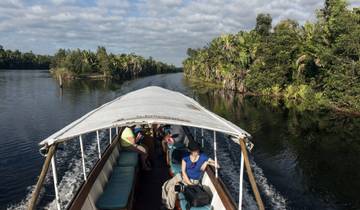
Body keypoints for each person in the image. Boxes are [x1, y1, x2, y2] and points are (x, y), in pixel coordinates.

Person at [161, 141, 217, 209]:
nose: (196, 152)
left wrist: (207, 162)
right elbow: (183, 171)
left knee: (173, 189)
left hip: (191, 183)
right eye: (194, 151)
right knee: (165, 185)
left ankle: (169, 207)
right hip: (181, 176)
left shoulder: (203, 157)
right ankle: (165, 203)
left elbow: (217, 165)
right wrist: (185, 179)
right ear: (190, 150)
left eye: (197, 150)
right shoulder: (186, 156)